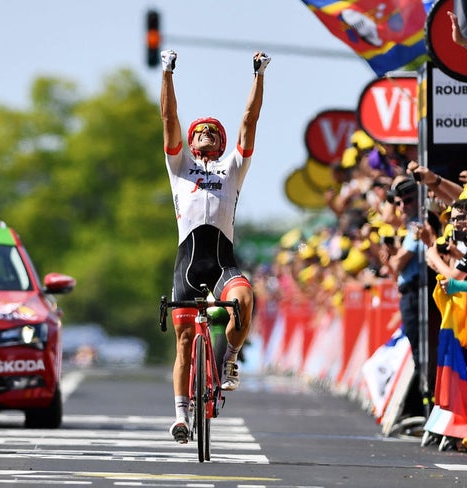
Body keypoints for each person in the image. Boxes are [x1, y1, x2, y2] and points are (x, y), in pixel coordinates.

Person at [159, 48, 270, 443]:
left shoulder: (232, 169)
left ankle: (231, 359)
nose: (204, 133)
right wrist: (167, 71)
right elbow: (169, 118)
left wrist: (258, 75)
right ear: (191, 141)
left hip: (223, 263)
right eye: (199, 131)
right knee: (185, 341)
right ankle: (180, 416)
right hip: (188, 265)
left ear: (221, 143)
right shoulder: (180, 168)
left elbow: (248, 120)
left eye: (211, 131)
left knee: (243, 300)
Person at [377, 176, 425, 417]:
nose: (403, 207)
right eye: (399, 203)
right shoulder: (409, 225)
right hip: (409, 292)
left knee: (420, 352)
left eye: (408, 200)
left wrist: (392, 259)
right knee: (417, 351)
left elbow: (399, 262)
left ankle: (422, 407)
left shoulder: (417, 225)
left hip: (417, 295)